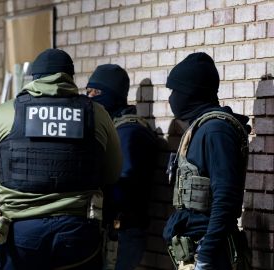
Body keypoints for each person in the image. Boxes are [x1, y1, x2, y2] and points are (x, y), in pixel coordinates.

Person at [0, 48, 122, 270]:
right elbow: (113, 172)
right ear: (69, 76)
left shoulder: (4, 114)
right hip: (78, 230)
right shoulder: (97, 114)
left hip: (21, 231)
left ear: (34, 78)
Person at [163, 52, 251, 270]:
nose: (171, 98)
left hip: (212, 255)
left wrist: (206, 255)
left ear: (191, 92)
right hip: (197, 251)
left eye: (175, 90)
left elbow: (226, 196)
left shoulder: (216, 130)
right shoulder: (200, 128)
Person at [86, 64, 157, 270]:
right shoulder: (113, 127)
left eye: (95, 92)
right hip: (110, 228)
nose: (89, 96)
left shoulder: (129, 132)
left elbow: (124, 187)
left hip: (121, 231)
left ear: (112, 95)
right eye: (87, 91)